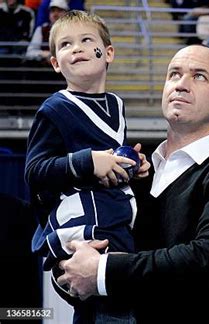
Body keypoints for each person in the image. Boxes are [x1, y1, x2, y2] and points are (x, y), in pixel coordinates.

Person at [56, 44, 209, 323]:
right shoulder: (129, 168)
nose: (181, 85)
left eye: (199, 76)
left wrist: (102, 272)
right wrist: (66, 268)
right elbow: (84, 251)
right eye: (174, 74)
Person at [25, 10, 150, 323]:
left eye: (85, 40)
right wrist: (88, 161)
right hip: (82, 224)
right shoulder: (55, 108)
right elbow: (35, 170)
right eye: (65, 44)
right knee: (103, 307)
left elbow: (113, 163)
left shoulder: (118, 106)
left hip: (116, 219)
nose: (76, 48)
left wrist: (134, 165)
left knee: (122, 305)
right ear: (55, 63)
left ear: (107, 53)